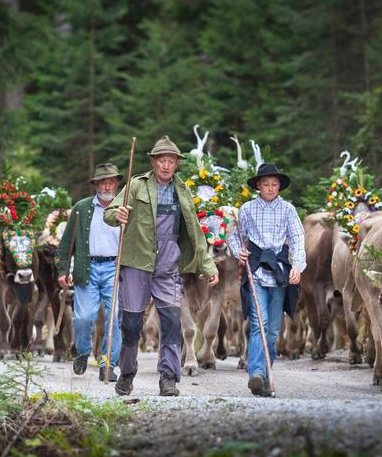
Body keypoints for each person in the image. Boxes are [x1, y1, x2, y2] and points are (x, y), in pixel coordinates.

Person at [104, 136, 219, 397]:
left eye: (171, 161)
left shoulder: (183, 191)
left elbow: (196, 232)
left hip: (169, 263)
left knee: (170, 323)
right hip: (136, 262)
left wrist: (208, 266)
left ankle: (168, 378)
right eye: (162, 160)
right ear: (154, 162)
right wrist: (119, 214)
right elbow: (110, 214)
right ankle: (127, 372)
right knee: (131, 324)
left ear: (176, 164)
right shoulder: (136, 185)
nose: (166, 165)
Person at [229, 163, 306, 397]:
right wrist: (238, 252)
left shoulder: (288, 210)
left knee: (273, 330)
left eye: (274, 184)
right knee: (258, 323)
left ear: (279, 186)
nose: (270, 188)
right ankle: (256, 373)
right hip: (256, 270)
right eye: (266, 184)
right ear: (258, 187)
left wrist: (298, 266)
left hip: (280, 271)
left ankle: (266, 373)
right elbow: (235, 237)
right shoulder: (248, 209)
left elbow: (298, 238)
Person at [58, 163, 123, 382]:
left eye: (111, 181)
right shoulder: (81, 208)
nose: (107, 185)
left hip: (115, 268)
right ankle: (83, 351)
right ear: (95, 185)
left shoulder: (125, 209)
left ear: (117, 183)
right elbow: (67, 244)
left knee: (114, 317)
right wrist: (62, 270)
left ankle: (108, 363)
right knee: (83, 317)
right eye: (103, 182)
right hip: (87, 267)